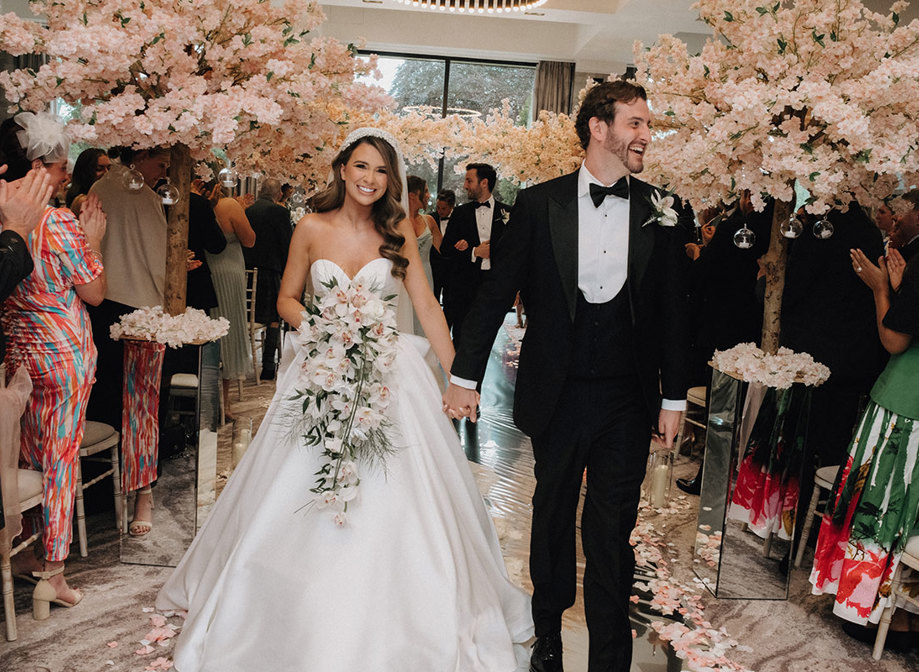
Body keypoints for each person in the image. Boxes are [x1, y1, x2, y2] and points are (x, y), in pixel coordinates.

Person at [156, 128, 532, 671]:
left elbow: (426, 306)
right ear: (342, 168)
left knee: (399, 490)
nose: (370, 179)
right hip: (321, 367)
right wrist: (324, 330)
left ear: (391, 181)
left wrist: (460, 378)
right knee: (297, 479)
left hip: (387, 369)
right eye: (361, 166)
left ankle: (399, 610)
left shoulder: (399, 229)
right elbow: (286, 298)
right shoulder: (310, 226)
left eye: (381, 171)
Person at [443, 80, 693, 672]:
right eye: (635, 124)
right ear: (598, 129)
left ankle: (610, 656)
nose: (645, 136)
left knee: (612, 527)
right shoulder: (536, 205)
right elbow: (495, 294)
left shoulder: (665, 208)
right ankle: (548, 634)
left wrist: (675, 395)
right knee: (552, 515)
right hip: (555, 393)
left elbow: (677, 311)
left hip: (627, 400)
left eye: (647, 125)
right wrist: (465, 376)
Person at [0, 113, 107, 614]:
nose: (67, 176)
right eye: (63, 166)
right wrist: (94, 242)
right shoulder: (59, 220)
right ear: (43, 165)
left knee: (21, 455)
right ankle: (54, 571)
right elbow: (95, 293)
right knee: (60, 458)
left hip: (15, 355)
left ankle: (22, 554)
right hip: (62, 354)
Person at [809, 191, 919, 638]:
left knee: (881, 507)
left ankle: (864, 608)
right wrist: (899, 287)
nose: (896, 216)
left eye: (905, 207)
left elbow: (895, 340)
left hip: (904, 406)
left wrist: (879, 289)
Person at [86, 145, 170, 536]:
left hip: (101, 307)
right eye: (160, 160)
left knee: (104, 402)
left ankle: (101, 495)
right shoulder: (145, 198)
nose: (163, 169)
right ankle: (142, 496)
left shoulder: (99, 189)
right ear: (140, 156)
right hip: (143, 311)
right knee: (143, 408)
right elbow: (158, 261)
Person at [441, 163, 511, 348]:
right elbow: (446, 249)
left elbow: (515, 252)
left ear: (484, 182)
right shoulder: (460, 213)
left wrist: (493, 252)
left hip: (494, 288)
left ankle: (477, 377)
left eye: (469, 180)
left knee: (486, 341)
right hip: (464, 288)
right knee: (462, 338)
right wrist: (473, 252)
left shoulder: (509, 213)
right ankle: (455, 376)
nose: (465, 185)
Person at [206, 184, 255, 419]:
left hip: (208, 271)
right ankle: (224, 405)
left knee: (211, 332)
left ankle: (210, 401)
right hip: (229, 272)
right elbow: (250, 239)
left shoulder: (201, 205)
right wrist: (241, 210)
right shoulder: (229, 205)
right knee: (228, 331)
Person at [243, 177, 291, 380]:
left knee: (249, 314)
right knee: (273, 317)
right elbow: (286, 243)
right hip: (271, 270)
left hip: (247, 270)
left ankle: (247, 358)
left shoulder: (248, 210)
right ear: (278, 193)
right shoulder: (280, 212)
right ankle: (269, 365)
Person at [405, 174, 443, 335]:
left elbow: (445, 252)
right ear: (412, 195)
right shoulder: (395, 222)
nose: (429, 195)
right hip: (402, 279)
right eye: (425, 191)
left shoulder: (429, 221)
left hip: (426, 278)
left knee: (423, 324)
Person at [64, 147, 110, 218]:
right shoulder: (83, 201)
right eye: (99, 169)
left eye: (109, 168)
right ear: (85, 171)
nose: (106, 173)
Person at [430, 188, 455, 306]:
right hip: (434, 267)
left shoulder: (458, 219)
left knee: (449, 300)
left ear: (452, 206)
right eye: (438, 208)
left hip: (451, 267)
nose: (440, 211)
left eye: (443, 208)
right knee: (433, 298)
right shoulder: (431, 219)